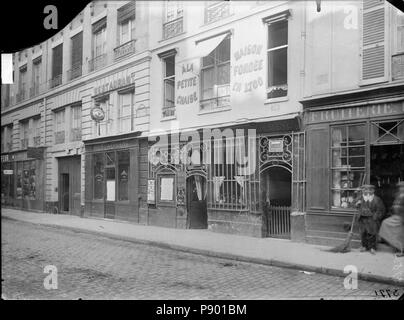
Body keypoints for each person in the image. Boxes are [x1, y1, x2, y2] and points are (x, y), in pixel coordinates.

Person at [356, 184, 385, 255]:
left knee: (372, 233)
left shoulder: (377, 199)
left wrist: (376, 216)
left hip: (372, 219)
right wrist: (357, 204)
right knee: (363, 233)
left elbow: (381, 209)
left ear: (373, 191)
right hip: (362, 218)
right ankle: (364, 246)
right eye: (365, 190)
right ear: (363, 191)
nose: (367, 191)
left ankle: (372, 247)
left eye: (369, 190)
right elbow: (353, 204)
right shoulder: (360, 198)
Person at [379, 182, 404, 257]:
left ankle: (401, 250)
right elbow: (395, 206)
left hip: (402, 217)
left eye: (402, 187)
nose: (401, 188)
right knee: (385, 223)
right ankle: (394, 245)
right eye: (400, 187)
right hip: (396, 216)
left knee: (400, 233)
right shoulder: (399, 195)